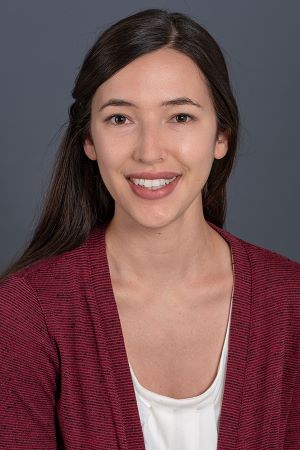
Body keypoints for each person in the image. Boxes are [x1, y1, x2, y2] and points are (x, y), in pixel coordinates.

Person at [0, 8, 299, 450]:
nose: (149, 152)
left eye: (180, 117)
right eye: (120, 119)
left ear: (222, 136)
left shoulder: (292, 301)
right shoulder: (24, 314)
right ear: (89, 140)